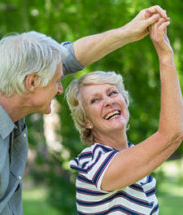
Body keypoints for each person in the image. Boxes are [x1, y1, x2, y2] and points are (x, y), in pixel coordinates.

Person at [0, 6, 169, 215]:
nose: (59, 89)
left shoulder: (5, 84)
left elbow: (69, 58)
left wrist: (127, 32)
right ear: (32, 83)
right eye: (57, 80)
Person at [65, 17, 183, 214]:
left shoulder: (136, 161)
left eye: (112, 93)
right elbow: (172, 134)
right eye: (95, 100)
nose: (109, 101)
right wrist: (165, 55)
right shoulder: (92, 162)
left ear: (124, 102)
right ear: (86, 121)